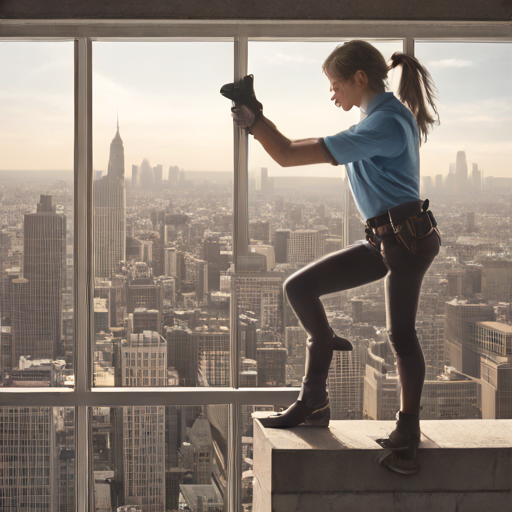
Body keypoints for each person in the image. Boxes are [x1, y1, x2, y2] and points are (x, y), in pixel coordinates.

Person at [222, 40, 441, 475]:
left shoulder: (384, 123)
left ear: (359, 79)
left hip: (405, 240)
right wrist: (255, 118)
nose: (332, 92)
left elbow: (286, 155)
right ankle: (315, 397)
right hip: (387, 238)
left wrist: (253, 118)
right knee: (298, 287)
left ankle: (408, 436)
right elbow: (298, 146)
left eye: (335, 83)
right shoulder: (377, 118)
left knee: (401, 336)